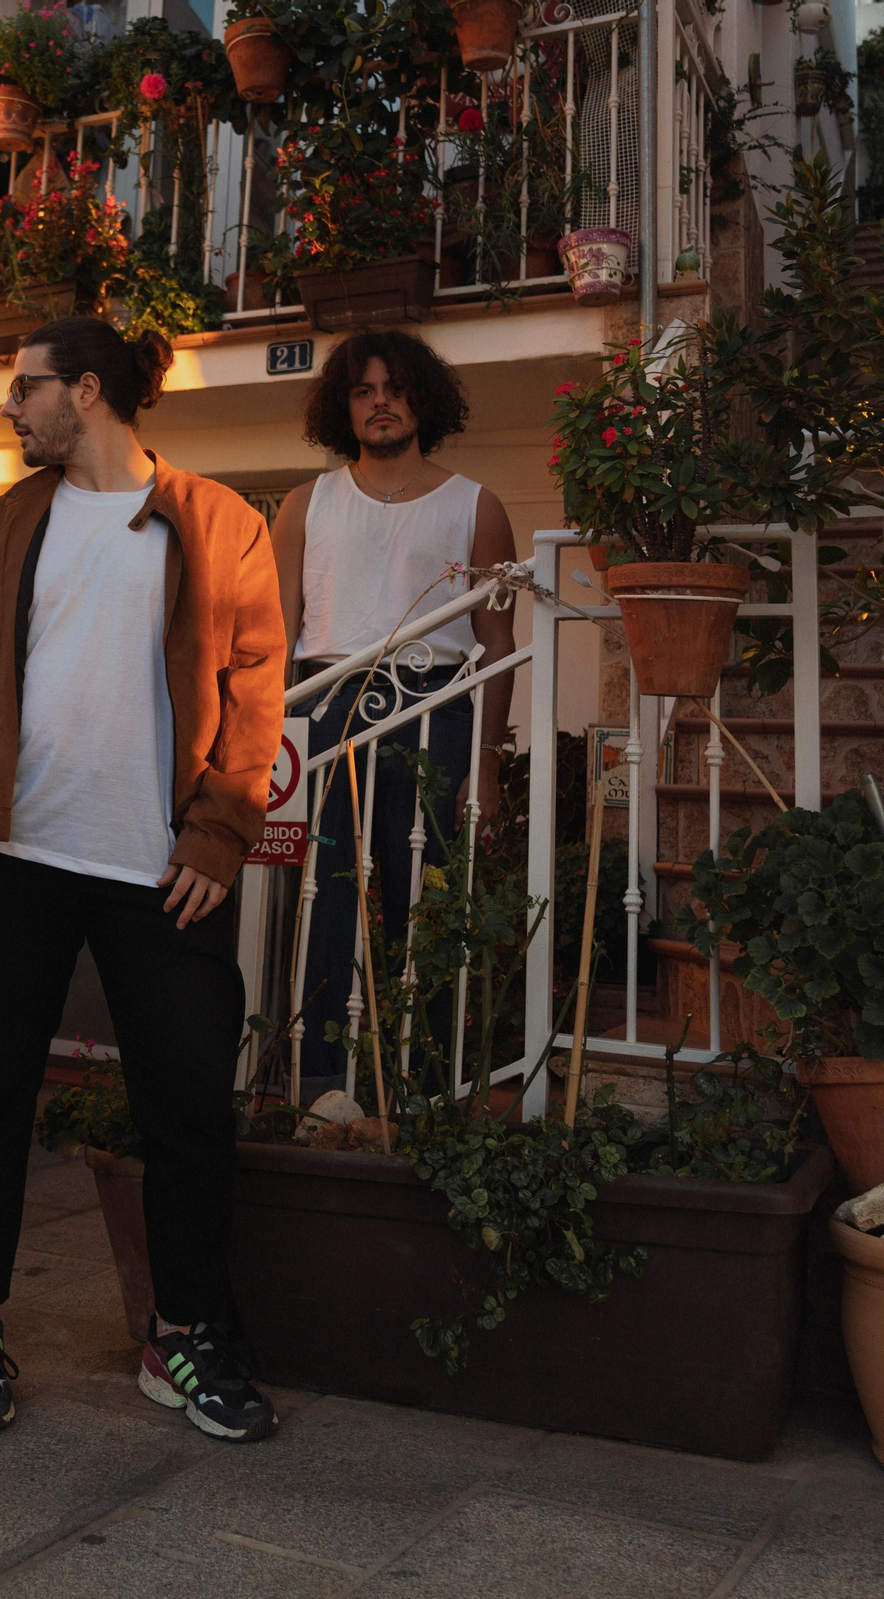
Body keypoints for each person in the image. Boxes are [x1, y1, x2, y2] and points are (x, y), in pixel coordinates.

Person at [0, 317, 286, 1443]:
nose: (11, 409)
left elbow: (258, 692)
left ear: (88, 390)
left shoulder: (219, 525)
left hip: (162, 874)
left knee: (187, 1116)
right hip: (10, 862)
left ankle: (186, 1338)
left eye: (25, 390)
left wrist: (220, 834)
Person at [271, 330, 516, 1104]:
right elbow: (279, 637)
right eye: (363, 390)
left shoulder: (476, 505)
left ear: (423, 398)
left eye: (395, 387)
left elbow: (498, 644)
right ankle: (320, 1086)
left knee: (430, 899)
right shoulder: (304, 504)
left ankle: (425, 1086)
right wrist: (261, 747)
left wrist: (487, 765)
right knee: (325, 895)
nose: (380, 402)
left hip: (436, 707)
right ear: (344, 405)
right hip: (326, 708)